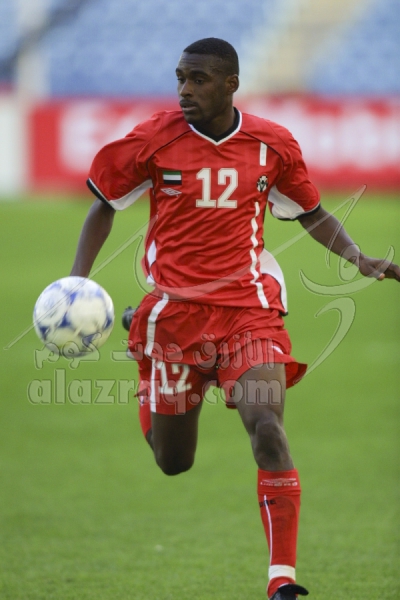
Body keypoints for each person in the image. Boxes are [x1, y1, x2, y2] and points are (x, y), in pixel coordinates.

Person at [70, 38, 400, 599]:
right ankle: (146, 349)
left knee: (267, 427)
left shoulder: (272, 145)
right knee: (173, 461)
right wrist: (77, 281)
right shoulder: (153, 139)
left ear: (231, 85)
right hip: (176, 314)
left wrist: (357, 257)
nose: (184, 89)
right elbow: (104, 203)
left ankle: (282, 581)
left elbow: (311, 212)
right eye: (180, 77)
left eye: (197, 79)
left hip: (250, 311)